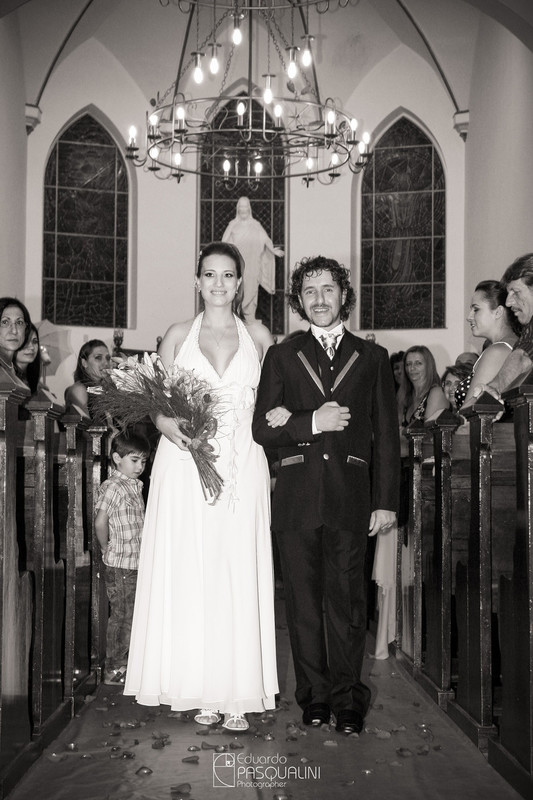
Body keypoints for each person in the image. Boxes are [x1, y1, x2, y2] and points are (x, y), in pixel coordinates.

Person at [124, 241, 278, 731]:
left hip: (241, 464)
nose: (218, 283)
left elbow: (274, 398)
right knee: (191, 568)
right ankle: (199, 688)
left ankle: (235, 693)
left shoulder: (259, 335)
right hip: (185, 462)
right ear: (197, 281)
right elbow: (154, 401)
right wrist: (166, 424)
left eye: (228, 275)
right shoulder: (175, 335)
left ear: (239, 282)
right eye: (209, 275)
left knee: (235, 568)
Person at [252, 255, 400, 735]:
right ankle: (313, 698)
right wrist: (310, 423)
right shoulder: (281, 355)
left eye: (328, 289)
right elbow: (260, 429)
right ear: (298, 300)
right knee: (302, 606)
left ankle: (348, 699)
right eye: (310, 291)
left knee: (348, 605)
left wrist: (386, 500)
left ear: (343, 295)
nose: (319, 299)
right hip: (296, 497)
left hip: (351, 495)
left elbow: (386, 433)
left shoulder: (372, 357)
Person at [95, 432, 151, 685]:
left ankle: (127, 662)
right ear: (117, 458)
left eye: (143, 462)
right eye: (134, 460)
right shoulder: (113, 486)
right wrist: (105, 546)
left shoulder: (134, 485)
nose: (140, 467)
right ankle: (114, 668)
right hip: (120, 564)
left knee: (132, 615)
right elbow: (100, 521)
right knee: (122, 616)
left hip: (135, 562)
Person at [471, 254, 533, 404]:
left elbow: (522, 358)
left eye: (516, 292)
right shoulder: (529, 329)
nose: (508, 302)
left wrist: (494, 388)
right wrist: (494, 387)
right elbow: (522, 355)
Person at [455, 280, 519, 410]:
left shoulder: (498, 351)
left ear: (498, 312)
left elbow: (470, 411)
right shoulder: (511, 343)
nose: (469, 316)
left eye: (476, 309)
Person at [222, 196, 284, 323]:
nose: (243, 209)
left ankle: (249, 316)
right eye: (241, 207)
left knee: (252, 289)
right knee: (237, 288)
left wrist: (272, 250)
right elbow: (224, 242)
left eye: (245, 207)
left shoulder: (256, 225)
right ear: (238, 209)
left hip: (253, 264)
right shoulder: (233, 225)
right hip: (238, 265)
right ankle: (236, 315)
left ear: (249, 209)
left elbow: (265, 239)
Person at [398, 345, 449, 428]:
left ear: (429, 366)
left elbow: (428, 433)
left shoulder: (436, 393)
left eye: (418, 363)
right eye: (408, 364)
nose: (412, 368)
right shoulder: (404, 395)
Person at [64, 339, 111, 418]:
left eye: (108, 358)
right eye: (98, 358)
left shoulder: (104, 390)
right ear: (84, 363)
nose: (106, 363)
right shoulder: (79, 390)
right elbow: (86, 427)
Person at [0, 297, 32, 387]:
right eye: (5, 322)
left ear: (26, 328)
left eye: (19, 322)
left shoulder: (15, 369)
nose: (14, 331)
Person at [15, 323, 42, 394]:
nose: (32, 347)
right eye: (25, 341)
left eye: (35, 342)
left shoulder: (30, 378)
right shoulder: (5, 378)